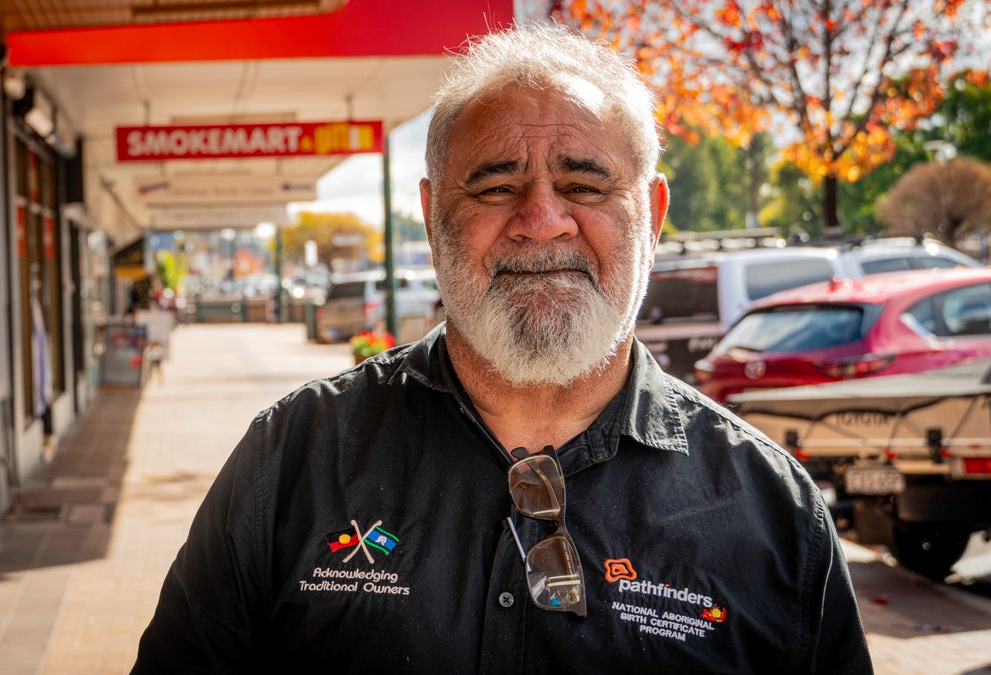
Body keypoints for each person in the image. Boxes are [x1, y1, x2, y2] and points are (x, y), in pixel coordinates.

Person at [132, 22, 873, 673]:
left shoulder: (773, 513)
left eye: (584, 182)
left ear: (651, 214)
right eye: (494, 185)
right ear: (431, 216)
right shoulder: (290, 460)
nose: (542, 219)